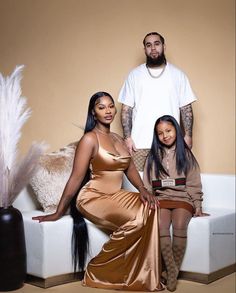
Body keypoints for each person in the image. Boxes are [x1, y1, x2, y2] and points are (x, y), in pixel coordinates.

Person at [32, 91, 164, 291]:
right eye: (101, 107)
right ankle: (98, 269)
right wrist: (59, 212)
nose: (108, 111)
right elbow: (76, 178)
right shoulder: (89, 139)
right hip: (93, 197)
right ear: (93, 112)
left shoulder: (118, 138)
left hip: (116, 195)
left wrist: (143, 190)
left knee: (152, 208)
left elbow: (128, 169)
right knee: (137, 219)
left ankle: (144, 272)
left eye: (110, 106)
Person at [143, 115, 209, 292]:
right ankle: (172, 271)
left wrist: (198, 205)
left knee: (180, 225)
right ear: (156, 136)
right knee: (161, 225)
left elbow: (194, 182)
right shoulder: (152, 157)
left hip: (183, 199)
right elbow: (147, 184)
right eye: (160, 133)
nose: (165, 135)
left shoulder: (186, 154)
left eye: (168, 131)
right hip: (161, 200)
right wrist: (149, 200)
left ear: (177, 131)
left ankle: (171, 273)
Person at [118, 32, 197, 171]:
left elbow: (186, 109)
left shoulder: (178, 75)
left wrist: (188, 136)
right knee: (139, 188)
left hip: (169, 143)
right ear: (145, 50)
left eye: (157, 44)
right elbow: (126, 109)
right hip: (140, 144)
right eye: (148, 45)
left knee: (168, 186)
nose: (153, 48)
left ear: (164, 47)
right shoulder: (134, 75)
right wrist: (127, 138)